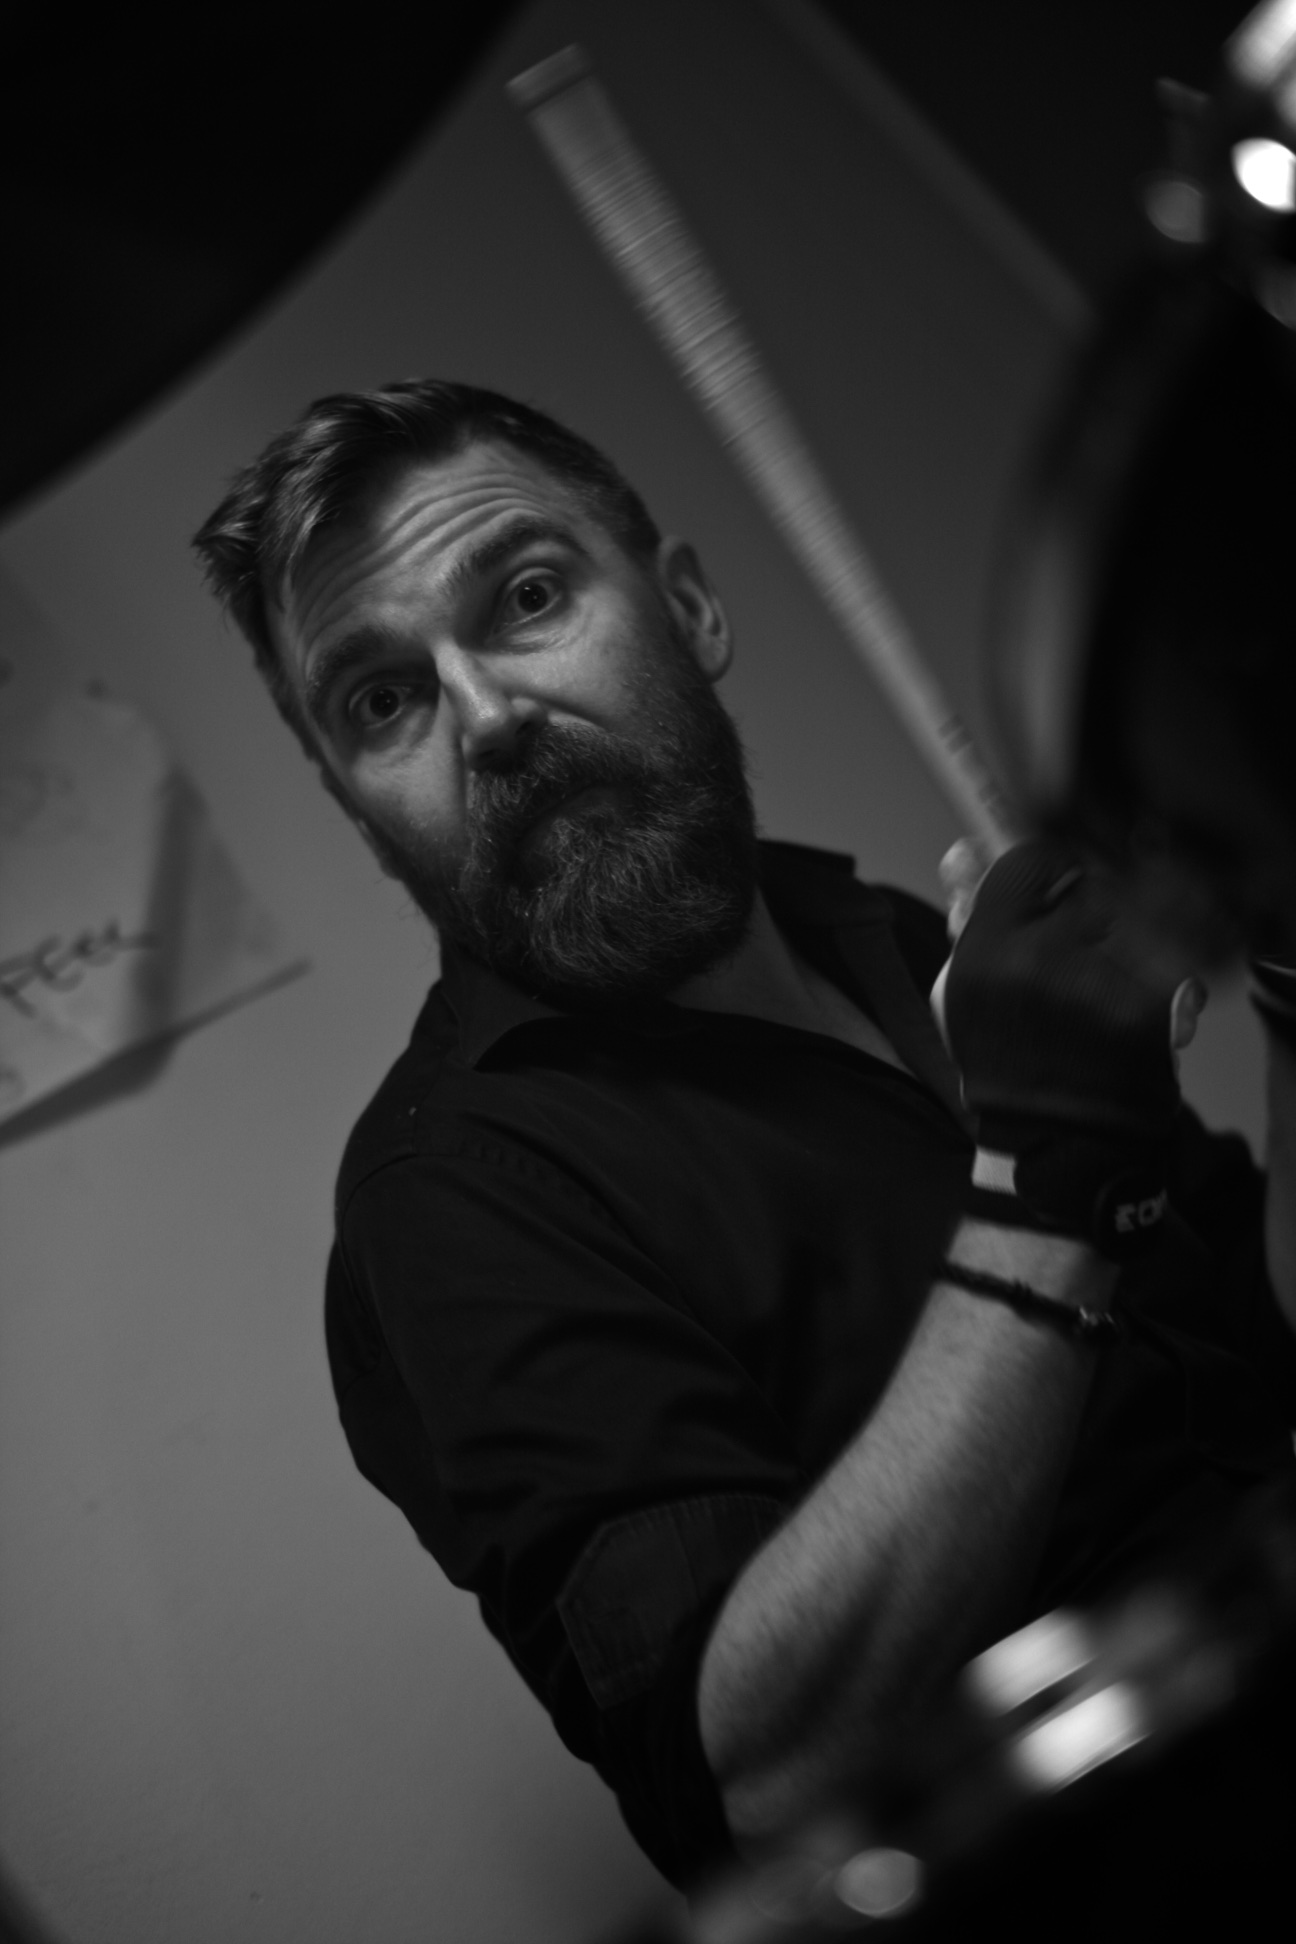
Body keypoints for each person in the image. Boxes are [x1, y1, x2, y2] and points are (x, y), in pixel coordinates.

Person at [193, 379, 1296, 1890]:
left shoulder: (894, 942)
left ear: (692, 610)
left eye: (526, 597)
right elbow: (761, 1776)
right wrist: (1042, 1193)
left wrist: (1279, 945)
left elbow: (1261, 1329)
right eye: (383, 700)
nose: (487, 719)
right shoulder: (451, 1198)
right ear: (359, 811)